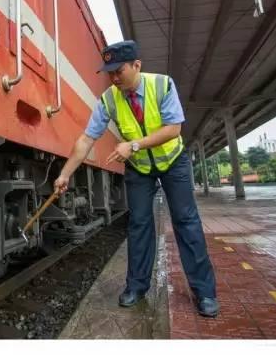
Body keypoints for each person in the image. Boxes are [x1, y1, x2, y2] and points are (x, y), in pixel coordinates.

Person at [53, 40, 219, 317]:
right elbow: (86, 139)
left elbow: (174, 129)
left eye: (119, 71)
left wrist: (134, 145)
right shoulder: (109, 99)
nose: (114, 78)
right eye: (110, 73)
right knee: (139, 225)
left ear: (136, 65)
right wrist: (64, 174)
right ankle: (136, 287)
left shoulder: (162, 85)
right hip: (139, 168)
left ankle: (204, 293)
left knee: (186, 222)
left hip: (172, 162)